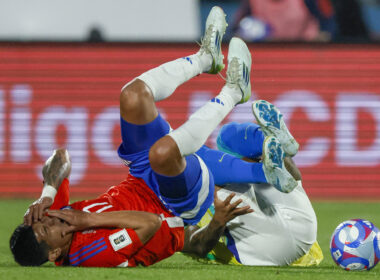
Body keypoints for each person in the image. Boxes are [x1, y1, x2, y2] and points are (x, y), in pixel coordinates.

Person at [9, 6, 297, 267]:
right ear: (55, 253)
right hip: (176, 203)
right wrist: (89, 220)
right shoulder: (90, 253)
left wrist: (46, 196)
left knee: (132, 95)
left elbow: (60, 157)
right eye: (46, 230)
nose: (49, 221)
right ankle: (234, 92)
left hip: (140, 176)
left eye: (42, 222)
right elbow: (149, 223)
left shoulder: (56, 216)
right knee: (162, 153)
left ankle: (205, 58)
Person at [182, 100, 323, 266]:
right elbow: (197, 246)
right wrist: (218, 221)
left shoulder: (168, 196)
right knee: (188, 154)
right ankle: (269, 144)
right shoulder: (163, 211)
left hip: (272, 245)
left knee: (223, 138)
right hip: (298, 236)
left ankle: (267, 150)